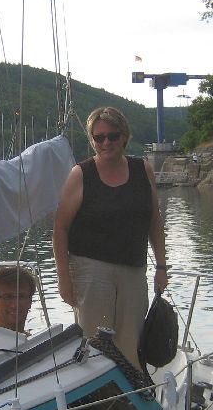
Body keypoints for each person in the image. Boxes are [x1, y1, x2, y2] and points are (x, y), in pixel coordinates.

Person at [53, 106, 168, 368]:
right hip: (91, 271)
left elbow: (154, 220)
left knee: (131, 342)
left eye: (112, 136)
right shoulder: (81, 174)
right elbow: (60, 229)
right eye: (99, 137)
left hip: (134, 269)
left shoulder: (143, 170)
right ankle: (101, 392)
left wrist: (161, 267)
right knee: (96, 344)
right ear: (92, 140)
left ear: (124, 137)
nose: (106, 143)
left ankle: (133, 390)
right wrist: (63, 278)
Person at [0, 265, 36, 333]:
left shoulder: (37, 338)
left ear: (30, 301)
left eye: (21, 297)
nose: (15, 305)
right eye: (7, 297)